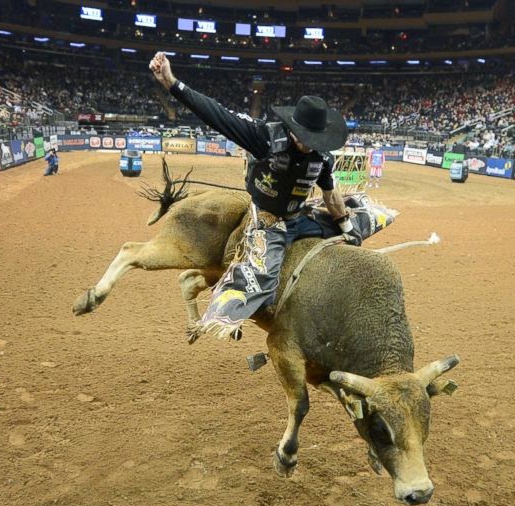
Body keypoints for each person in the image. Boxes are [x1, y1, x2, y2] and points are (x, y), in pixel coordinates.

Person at [149, 51, 360, 341]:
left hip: (298, 217)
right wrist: (172, 83)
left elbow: (330, 194)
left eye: (316, 140)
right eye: (306, 139)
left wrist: (347, 226)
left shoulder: (322, 158)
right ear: (294, 129)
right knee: (265, 280)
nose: (311, 145)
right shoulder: (264, 137)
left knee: (357, 226)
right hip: (267, 221)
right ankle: (227, 305)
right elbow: (217, 114)